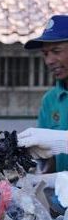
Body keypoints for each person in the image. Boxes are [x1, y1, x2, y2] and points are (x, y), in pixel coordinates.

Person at [18, 15, 68, 172]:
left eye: (56, 51)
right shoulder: (50, 100)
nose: (49, 61)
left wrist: (60, 141)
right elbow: (49, 160)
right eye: (45, 54)